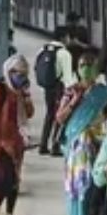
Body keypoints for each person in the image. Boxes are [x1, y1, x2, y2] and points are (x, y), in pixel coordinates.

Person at [56, 49, 107, 215]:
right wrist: (74, 103)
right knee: (78, 188)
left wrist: (99, 122)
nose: (86, 69)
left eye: (91, 65)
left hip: (97, 145)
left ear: (97, 68)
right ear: (77, 68)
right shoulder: (71, 91)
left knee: (94, 185)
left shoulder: (103, 92)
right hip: (77, 148)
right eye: (82, 64)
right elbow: (60, 118)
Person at [0, 54, 35, 215]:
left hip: (18, 142)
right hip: (1, 142)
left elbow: (29, 113)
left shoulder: (20, 93)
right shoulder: (0, 90)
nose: (22, 78)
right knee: (7, 178)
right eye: (19, 73)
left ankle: (7, 212)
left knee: (15, 179)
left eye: (24, 74)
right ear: (9, 72)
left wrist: (26, 96)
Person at [36, 27, 77, 157]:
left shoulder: (42, 49)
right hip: (59, 88)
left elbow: (36, 68)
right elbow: (67, 77)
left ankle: (43, 144)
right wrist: (72, 91)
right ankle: (55, 145)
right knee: (60, 116)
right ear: (64, 38)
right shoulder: (64, 53)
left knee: (49, 114)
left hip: (48, 87)